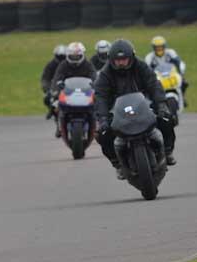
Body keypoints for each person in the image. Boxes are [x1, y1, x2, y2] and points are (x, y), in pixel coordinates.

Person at [94, 39, 177, 180]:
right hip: (117, 110)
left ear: (131, 57)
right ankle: (117, 164)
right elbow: (100, 96)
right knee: (102, 133)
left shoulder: (141, 66)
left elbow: (153, 83)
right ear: (111, 60)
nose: (120, 63)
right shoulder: (105, 74)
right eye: (117, 60)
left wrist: (161, 104)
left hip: (144, 104)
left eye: (124, 59)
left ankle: (168, 151)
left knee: (167, 118)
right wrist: (102, 118)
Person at [50, 42, 98, 137]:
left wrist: (95, 84)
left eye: (77, 57)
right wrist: (57, 87)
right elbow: (57, 77)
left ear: (82, 55)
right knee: (54, 103)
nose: (75, 59)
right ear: (68, 55)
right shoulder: (63, 65)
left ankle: (96, 125)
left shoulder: (87, 64)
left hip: (85, 92)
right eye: (72, 57)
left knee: (97, 103)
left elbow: (94, 76)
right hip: (68, 92)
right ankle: (59, 124)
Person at [144, 36, 189, 105]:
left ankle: (182, 97)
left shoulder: (171, 53)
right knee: (148, 88)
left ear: (164, 46)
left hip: (170, 74)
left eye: (161, 47)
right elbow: (146, 69)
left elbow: (178, 62)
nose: (159, 49)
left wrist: (181, 73)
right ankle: (152, 102)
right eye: (157, 47)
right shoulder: (149, 57)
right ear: (153, 48)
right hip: (157, 77)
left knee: (184, 83)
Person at [41, 44, 67, 120]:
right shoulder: (50, 65)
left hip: (68, 87)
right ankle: (51, 110)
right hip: (55, 87)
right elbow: (45, 78)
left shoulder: (70, 64)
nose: (61, 59)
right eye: (59, 57)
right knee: (47, 98)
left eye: (63, 57)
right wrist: (47, 89)